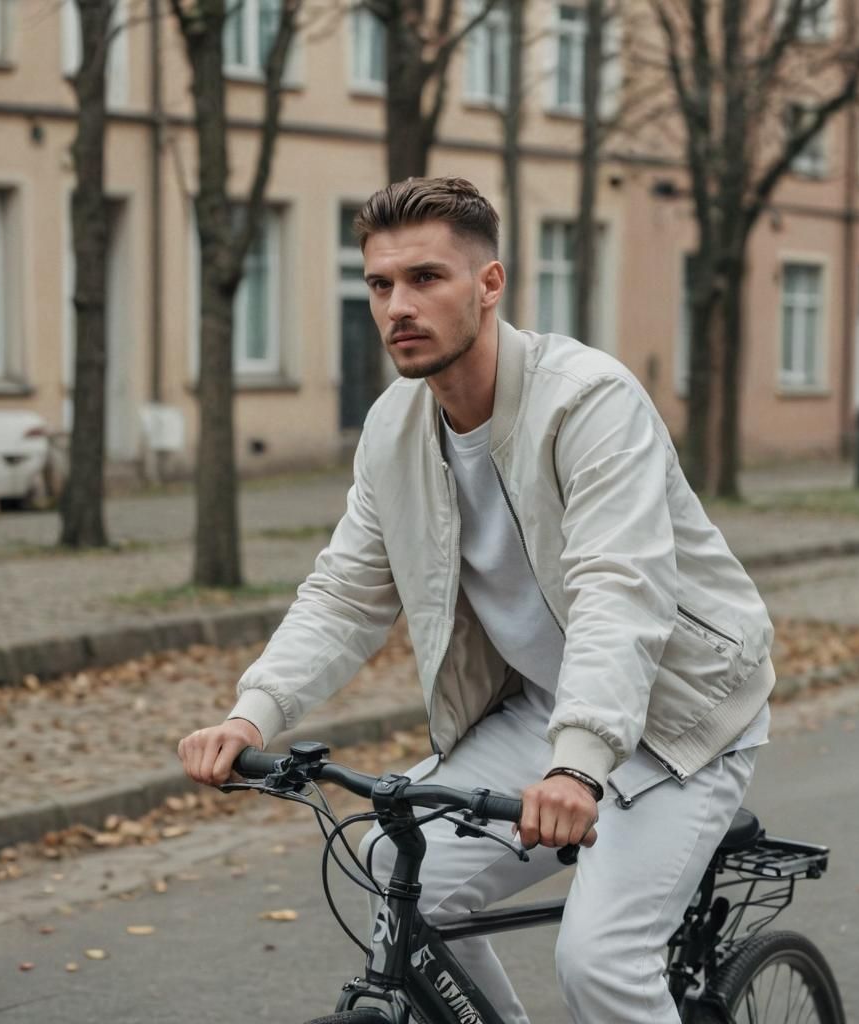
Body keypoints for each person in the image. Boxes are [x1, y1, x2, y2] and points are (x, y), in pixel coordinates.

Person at [178, 176, 775, 1023]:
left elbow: (620, 590)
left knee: (601, 964)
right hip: (548, 710)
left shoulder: (588, 401)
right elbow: (345, 594)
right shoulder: (393, 429)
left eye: (426, 278)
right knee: (396, 866)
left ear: (489, 284)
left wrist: (576, 766)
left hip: (680, 719)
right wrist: (252, 715)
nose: (397, 306)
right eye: (380, 283)